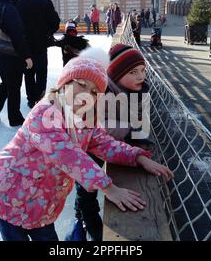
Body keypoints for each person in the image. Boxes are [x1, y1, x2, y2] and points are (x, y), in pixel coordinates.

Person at [0, 47, 173, 241]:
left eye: (94, 91)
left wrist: (137, 157)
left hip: (42, 204)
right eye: (81, 84)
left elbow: (104, 142)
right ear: (64, 83)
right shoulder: (44, 115)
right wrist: (108, 188)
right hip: (9, 196)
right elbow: (68, 155)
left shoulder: (86, 117)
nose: (86, 94)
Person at [66, 44, 160, 241]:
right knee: (86, 191)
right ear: (117, 74)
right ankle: (85, 224)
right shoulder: (102, 92)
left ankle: (83, 220)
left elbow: (140, 119)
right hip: (88, 151)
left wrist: (139, 144)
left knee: (87, 189)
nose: (140, 76)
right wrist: (128, 130)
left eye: (143, 70)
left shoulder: (140, 92)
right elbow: (96, 127)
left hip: (109, 147)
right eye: (133, 72)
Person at [0, 0, 33, 127]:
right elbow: (17, 35)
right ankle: (15, 118)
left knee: (6, 83)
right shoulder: (9, 8)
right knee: (14, 86)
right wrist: (26, 56)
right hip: (10, 55)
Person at [17, 0, 60, 109]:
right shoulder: (45, 2)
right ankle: (39, 98)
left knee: (28, 73)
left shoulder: (17, 3)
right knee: (41, 72)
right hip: (41, 44)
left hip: (24, 45)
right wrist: (47, 33)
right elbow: (55, 22)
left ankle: (31, 99)